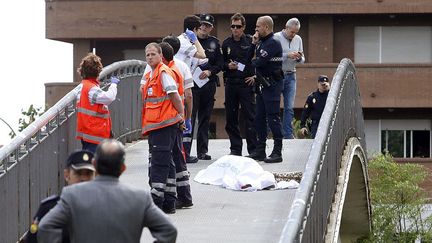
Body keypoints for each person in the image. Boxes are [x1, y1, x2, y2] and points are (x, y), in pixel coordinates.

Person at [37, 139, 177, 243]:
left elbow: (46, 226)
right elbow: (169, 230)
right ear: (122, 168)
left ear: (94, 165)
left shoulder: (73, 195)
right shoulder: (140, 198)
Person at [141, 43, 184, 214]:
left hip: (164, 124)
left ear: (160, 55)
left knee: (159, 163)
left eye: (153, 54)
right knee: (168, 163)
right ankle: (169, 201)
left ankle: (156, 201)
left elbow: (174, 94)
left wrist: (181, 114)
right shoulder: (152, 74)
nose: (150, 57)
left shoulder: (163, 72)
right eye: (147, 55)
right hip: (158, 125)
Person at [24, 150, 95, 243]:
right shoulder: (49, 208)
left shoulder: (102, 208)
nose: (83, 179)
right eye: (78, 173)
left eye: (88, 174)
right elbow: (33, 239)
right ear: (67, 175)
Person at [159, 41, 193, 209]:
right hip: (177, 119)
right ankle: (185, 195)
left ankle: (172, 197)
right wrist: (187, 117)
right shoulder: (182, 67)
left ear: (161, 56)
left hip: (165, 120)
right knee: (179, 157)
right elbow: (188, 95)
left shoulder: (161, 70)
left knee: (170, 159)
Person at [246, 16, 284, 163]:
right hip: (262, 85)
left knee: (273, 117)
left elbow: (258, 62)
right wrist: (253, 45)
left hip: (272, 85)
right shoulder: (261, 42)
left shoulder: (273, 42)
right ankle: (260, 150)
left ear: (266, 27)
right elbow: (249, 60)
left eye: (258, 27)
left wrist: (255, 59)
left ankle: (277, 151)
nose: (256, 30)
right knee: (259, 118)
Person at [221, 13, 257, 156]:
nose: (235, 29)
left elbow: (257, 61)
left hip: (246, 83)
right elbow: (220, 63)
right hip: (231, 83)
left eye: (238, 26)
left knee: (250, 117)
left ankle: (253, 149)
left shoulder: (250, 41)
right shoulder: (226, 43)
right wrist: (227, 66)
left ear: (243, 27)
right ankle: (235, 148)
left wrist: (255, 76)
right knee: (231, 117)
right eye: (233, 26)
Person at [190, 13, 223, 160]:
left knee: (205, 118)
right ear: (197, 27)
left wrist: (210, 72)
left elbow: (220, 64)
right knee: (189, 118)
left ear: (211, 28)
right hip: (192, 85)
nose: (204, 28)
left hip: (208, 85)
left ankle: (202, 151)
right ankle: (185, 150)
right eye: (202, 25)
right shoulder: (189, 42)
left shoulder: (215, 43)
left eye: (207, 26)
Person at [175, 15, 207, 164]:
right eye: (198, 29)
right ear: (193, 29)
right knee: (186, 117)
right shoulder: (185, 42)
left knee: (186, 118)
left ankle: (184, 152)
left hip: (182, 82)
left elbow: (202, 59)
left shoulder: (183, 41)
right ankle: (183, 153)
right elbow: (202, 54)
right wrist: (195, 40)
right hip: (181, 85)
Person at [75, 53, 120, 153]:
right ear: (98, 71)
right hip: (95, 134)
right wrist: (113, 84)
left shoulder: (82, 86)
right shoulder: (91, 89)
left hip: (86, 133)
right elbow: (109, 97)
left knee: (88, 161)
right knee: (96, 163)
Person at [274, 18, 305, 139]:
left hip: (292, 74)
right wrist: (287, 55)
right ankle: (274, 132)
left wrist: (298, 58)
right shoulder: (276, 38)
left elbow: (303, 60)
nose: (294, 35)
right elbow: (272, 58)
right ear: (286, 28)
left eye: (296, 32)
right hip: (278, 74)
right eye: (292, 32)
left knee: (289, 107)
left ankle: (287, 134)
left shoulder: (298, 39)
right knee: (274, 105)